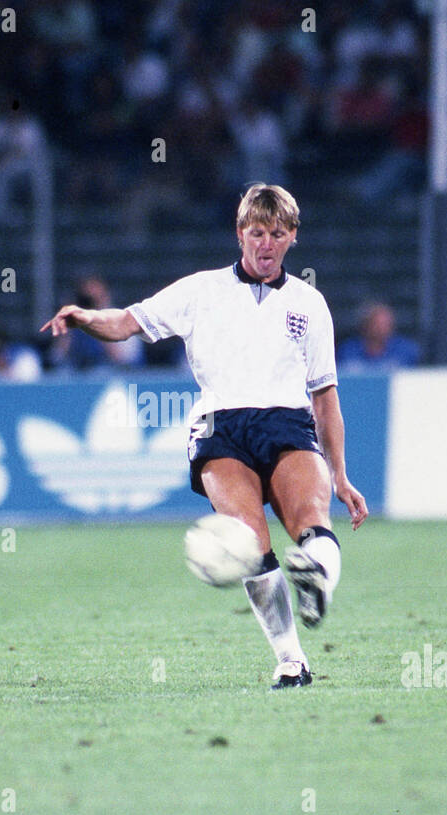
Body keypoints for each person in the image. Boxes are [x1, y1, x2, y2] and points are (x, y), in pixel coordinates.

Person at [42, 184, 368, 689]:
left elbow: (325, 395)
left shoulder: (310, 305)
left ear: (292, 238)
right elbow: (127, 321)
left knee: (311, 522)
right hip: (221, 428)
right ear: (240, 234)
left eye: (277, 234)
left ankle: (316, 580)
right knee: (251, 542)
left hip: (287, 422)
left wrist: (341, 474)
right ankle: (290, 659)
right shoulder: (200, 291)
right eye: (257, 233)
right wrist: (87, 318)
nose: (266, 244)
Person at [338, 301, 420, 369]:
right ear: (366, 325)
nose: (381, 329)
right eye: (377, 324)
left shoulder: (406, 350)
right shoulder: (348, 350)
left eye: (386, 324)